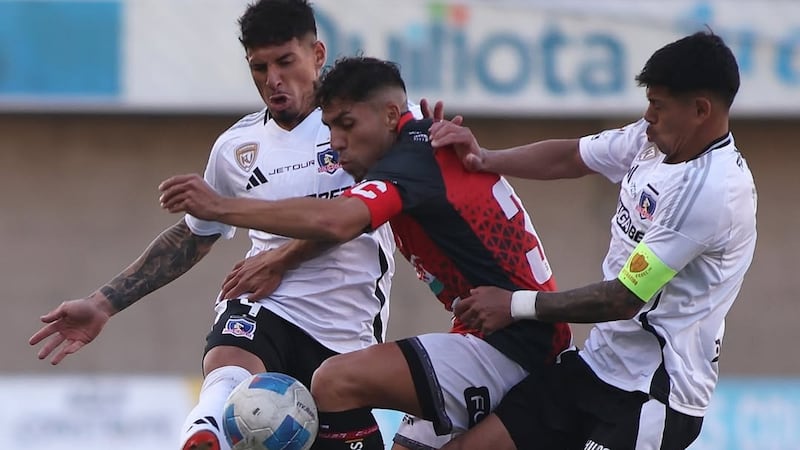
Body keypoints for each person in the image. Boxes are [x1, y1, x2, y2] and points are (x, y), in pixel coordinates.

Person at [28, 2, 398, 450]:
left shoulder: (366, 125)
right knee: (231, 351)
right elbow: (193, 235)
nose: (273, 80)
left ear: (317, 55)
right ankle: (207, 430)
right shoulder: (237, 147)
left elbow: (359, 212)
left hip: (345, 336)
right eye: (258, 67)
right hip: (270, 305)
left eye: (285, 62)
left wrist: (282, 256)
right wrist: (103, 303)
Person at [158, 56, 572, 450]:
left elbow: (337, 221)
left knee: (336, 380)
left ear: (391, 116)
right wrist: (283, 258)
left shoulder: (413, 158)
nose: (336, 143)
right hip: (492, 337)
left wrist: (218, 205)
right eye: (330, 127)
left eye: (347, 125)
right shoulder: (420, 145)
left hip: (515, 346)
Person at [424, 31, 756, 450]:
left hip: (651, 396)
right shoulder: (653, 141)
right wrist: (483, 158)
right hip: (594, 367)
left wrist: (514, 305)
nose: (648, 115)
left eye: (658, 105)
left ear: (700, 110)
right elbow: (572, 157)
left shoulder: (712, 192)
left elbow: (623, 298)